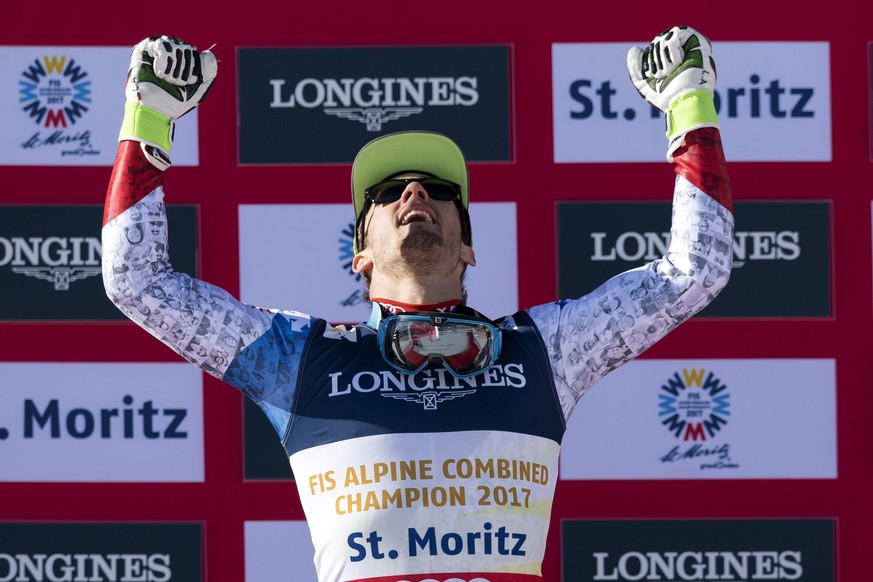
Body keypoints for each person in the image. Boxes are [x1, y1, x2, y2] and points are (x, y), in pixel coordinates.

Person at [102, 26, 733, 582]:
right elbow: (138, 283)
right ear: (360, 252)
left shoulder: (548, 348)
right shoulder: (298, 359)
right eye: (386, 192)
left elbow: (693, 272)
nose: (414, 191)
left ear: (468, 248)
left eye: (437, 189)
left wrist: (690, 106)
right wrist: (149, 119)